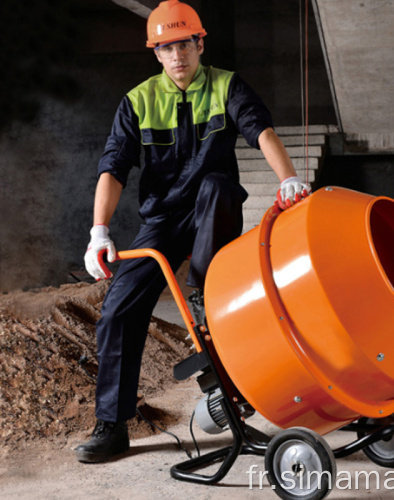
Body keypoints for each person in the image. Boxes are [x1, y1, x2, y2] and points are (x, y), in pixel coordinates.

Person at [76, 0, 310, 463]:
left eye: (184, 44)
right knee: (118, 309)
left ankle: (205, 288)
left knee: (218, 185)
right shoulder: (138, 101)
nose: (177, 56)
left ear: (199, 43)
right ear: (156, 54)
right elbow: (114, 168)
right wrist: (99, 231)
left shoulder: (226, 86)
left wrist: (288, 177)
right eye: (166, 48)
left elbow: (260, 130)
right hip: (161, 222)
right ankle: (112, 426)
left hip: (214, 215)